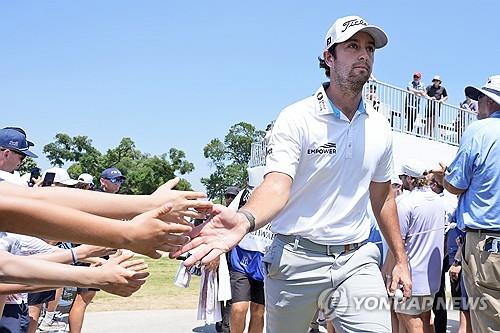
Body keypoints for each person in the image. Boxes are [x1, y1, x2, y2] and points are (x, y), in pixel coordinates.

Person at [173, 15, 412, 333]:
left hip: (357, 259)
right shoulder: (297, 118)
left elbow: (382, 196)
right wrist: (245, 220)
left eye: (369, 48)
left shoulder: (380, 126)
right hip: (295, 259)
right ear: (329, 57)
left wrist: (400, 258)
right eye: (352, 46)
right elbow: (276, 185)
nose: (364, 54)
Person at [433, 75, 500, 333]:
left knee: (489, 322)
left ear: (489, 101)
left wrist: (443, 177)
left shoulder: (480, 131)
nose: (476, 105)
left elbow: (456, 185)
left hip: (488, 245)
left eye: (480, 98)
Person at [391, 161, 446, 333]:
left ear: (409, 178)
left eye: (401, 178)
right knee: (424, 318)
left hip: (411, 276)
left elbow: (397, 242)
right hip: (432, 277)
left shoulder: (406, 203)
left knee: (411, 320)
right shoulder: (438, 201)